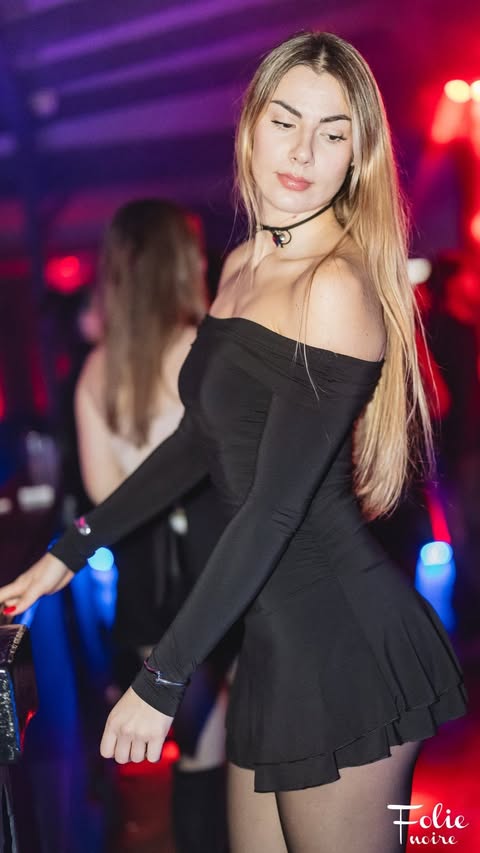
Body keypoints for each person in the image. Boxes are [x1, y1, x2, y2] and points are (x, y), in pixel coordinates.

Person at [0, 33, 467, 853]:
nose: (303, 152)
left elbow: (273, 509)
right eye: (286, 122)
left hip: (345, 640)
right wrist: (72, 549)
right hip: (269, 643)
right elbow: (195, 443)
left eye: (332, 133)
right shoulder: (246, 262)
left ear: (357, 157)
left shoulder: (334, 286)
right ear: (251, 125)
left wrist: (164, 674)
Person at [74, 199, 233, 852]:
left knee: (197, 759)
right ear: (180, 261)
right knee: (247, 761)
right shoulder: (203, 348)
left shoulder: (96, 371)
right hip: (227, 580)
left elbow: (104, 499)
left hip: (149, 597)